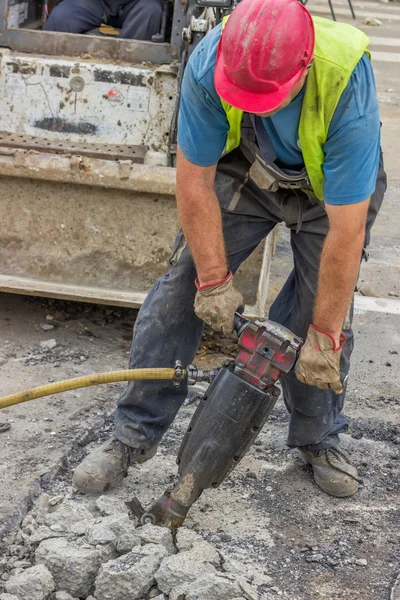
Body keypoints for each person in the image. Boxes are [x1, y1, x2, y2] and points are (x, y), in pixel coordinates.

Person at [72, 0, 386, 498]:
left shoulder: (345, 79)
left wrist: (324, 335)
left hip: (329, 186)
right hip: (252, 166)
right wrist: (214, 281)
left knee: (314, 311)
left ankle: (318, 437)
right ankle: (132, 434)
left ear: (303, 65)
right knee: (184, 283)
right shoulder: (210, 59)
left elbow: (345, 231)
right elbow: (193, 181)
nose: (259, 103)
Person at [44, 0, 162, 41]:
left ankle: (126, 72)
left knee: (151, 11)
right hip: (94, 3)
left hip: (137, 4)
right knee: (61, 17)